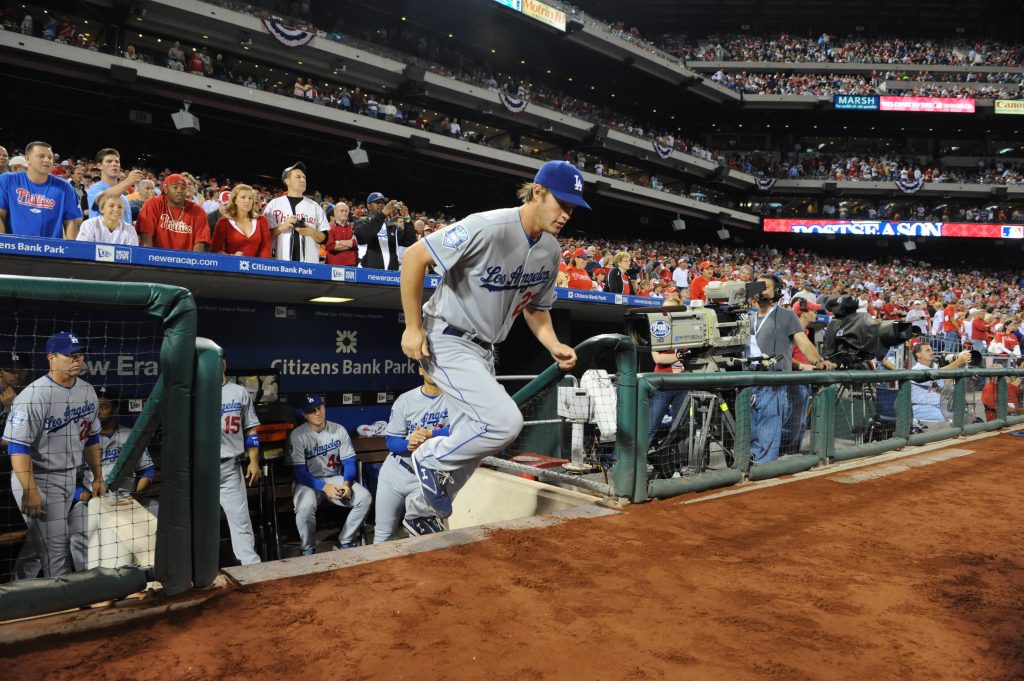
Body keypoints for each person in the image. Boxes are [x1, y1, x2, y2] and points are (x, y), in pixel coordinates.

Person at [398, 160, 583, 533]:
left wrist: (553, 343)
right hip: (446, 338)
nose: (566, 214)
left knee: (477, 439)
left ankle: (420, 511)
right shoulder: (488, 225)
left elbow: (536, 308)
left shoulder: (550, 251)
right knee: (504, 423)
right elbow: (415, 257)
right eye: (561, 203)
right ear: (537, 192)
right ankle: (430, 459)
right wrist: (413, 326)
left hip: (484, 351)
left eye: (572, 208)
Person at [3, 332, 105, 578]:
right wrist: (30, 489)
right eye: (69, 355)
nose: (77, 360)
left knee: (43, 545)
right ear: (51, 358)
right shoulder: (34, 395)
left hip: (71, 476)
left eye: (79, 354)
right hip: (39, 477)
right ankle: (64, 605)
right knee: (56, 551)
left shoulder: (88, 390)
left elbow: (92, 438)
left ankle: (24, 590)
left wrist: (98, 476)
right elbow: (17, 447)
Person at [67, 388, 155, 571]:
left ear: (115, 410)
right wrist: (86, 497)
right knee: (77, 528)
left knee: (156, 510)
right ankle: (87, 579)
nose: (99, 411)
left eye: (105, 406)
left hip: (126, 498)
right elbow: (70, 480)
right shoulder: (80, 440)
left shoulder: (131, 435)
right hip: (91, 501)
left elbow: (147, 470)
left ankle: (146, 574)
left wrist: (138, 494)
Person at [748, 275, 833, 464]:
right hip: (750, 382)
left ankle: (765, 473)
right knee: (752, 433)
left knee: (768, 435)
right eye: (757, 285)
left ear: (777, 292)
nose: (759, 289)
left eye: (765, 286)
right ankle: (752, 468)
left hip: (773, 383)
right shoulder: (750, 317)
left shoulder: (786, 315)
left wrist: (818, 361)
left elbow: (803, 343)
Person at [287, 394, 371, 554]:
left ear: (324, 407)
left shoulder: (338, 430)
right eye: (311, 411)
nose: (317, 413)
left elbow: (349, 462)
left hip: (335, 478)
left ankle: (344, 541)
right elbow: (299, 473)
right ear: (305, 415)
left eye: (319, 408)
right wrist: (325, 487)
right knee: (305, 506)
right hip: (308, 483)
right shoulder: (297, 435)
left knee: (364, 498)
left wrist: (346, 484)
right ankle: (308, 549)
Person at [375, 367, 450, 541]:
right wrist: (410, 443)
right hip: (395, 471)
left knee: (419, 534)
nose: (433, 371)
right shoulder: (406, 400)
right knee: (383, 533)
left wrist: (430, 434)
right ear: (420, 371)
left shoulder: (453, 399)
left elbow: (461, 430)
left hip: (425, 477)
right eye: (427, 366)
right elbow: (392, 442)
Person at [216, 360, 262, 565]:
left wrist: (254, 461)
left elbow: (251, 430)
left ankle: (252, 571)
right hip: (201, 470)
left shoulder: (239, 392)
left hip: (230, 467)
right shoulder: (195, 393)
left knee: (241, 522)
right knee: (197, 525)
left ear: (224, 364)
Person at [0, 141, 83, 239]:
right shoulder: (7, 180)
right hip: (16, 248)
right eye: (41, 156)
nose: (47, 160)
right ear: (27, 159)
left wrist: (71, 251)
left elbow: (70, 221)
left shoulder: (64, 186)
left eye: (50, 157)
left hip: (51, 249)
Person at [780, 299, 823, 453]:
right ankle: (784, 455)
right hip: (793, 381)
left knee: (801, 424)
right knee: (793, 422)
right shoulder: (791, 331)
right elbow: (783, 356)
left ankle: (793, 454)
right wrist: (801, 365)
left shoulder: (804, 332)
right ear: (804, 313)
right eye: (813, 311)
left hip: (803, 381)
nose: (815, 314)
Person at [263, 162, 328, 263]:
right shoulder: (274, 204)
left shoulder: (315, 206)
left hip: (309, 266)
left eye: (304, 177)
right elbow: (263, 236)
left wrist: (311, 232)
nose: (303, 180)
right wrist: (281, 228)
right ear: (287, 181)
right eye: (298, 177)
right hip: (280, 264)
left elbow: (324, 238)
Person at [136, 173, 211, 251]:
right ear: (165, 190)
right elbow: (145, 234)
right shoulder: (153, 204)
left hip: (186, 260)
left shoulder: (197, 210)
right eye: (175, 187)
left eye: (183, 188)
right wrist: (149, 258)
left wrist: (193, 261)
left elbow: (200, 241)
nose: (179, 191)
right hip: (157, 258)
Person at [909, 343, 972, 423]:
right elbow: (936, 373)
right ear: (918, 354)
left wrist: (957, 366)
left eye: (932, 350)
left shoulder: (935, 367)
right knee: (950, 420)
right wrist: (958, 361)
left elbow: (944, 384)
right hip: (920, 407)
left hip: (938, 406)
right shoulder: (916, 369)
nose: (932, 352)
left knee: (965, 417)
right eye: (928, 350)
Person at [355, 192, 417, 270]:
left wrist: (406, 217)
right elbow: (364, 235)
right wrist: (383, 214)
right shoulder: (361, 223)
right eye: (377, 202)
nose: (380, 205)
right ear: (369, 205)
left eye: (382, 202)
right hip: (368, 274)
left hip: (390, 276)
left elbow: (409, 241)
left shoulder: (392, 227)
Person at [211, 184, 272, 258]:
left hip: (256, 267)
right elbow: (215, 250)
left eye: (250, 198)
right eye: (243, 197)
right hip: (230, 267)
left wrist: (259, 265)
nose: (247, 201)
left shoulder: (262, 221)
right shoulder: (223, 222)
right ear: (235, 200)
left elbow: (266, 248)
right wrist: (231, 257)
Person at [84, 148, 141, 220]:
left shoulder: (123, 197)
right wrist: (128, 181)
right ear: (99, 166)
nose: (114, 164)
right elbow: (103, 200)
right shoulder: (95, 188)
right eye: (109, 161)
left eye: (117, 162)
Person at [75, 191, 139, 245]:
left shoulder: (130, 229)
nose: (116, 209)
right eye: (111, 206)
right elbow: (82, 250)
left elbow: (133, 255)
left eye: (120, 207)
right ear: (102, 209)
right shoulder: (89, 224)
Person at [324, 201, 358, 266]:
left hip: (351, 266)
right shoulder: (329, 228)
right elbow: (330, 246)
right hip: (333, 266)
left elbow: (355, 243)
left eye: (346, 211)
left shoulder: (353, 227)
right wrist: (350, 243)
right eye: (342, 211)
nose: (344, 213)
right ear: (335, 212)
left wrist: (338, 242)